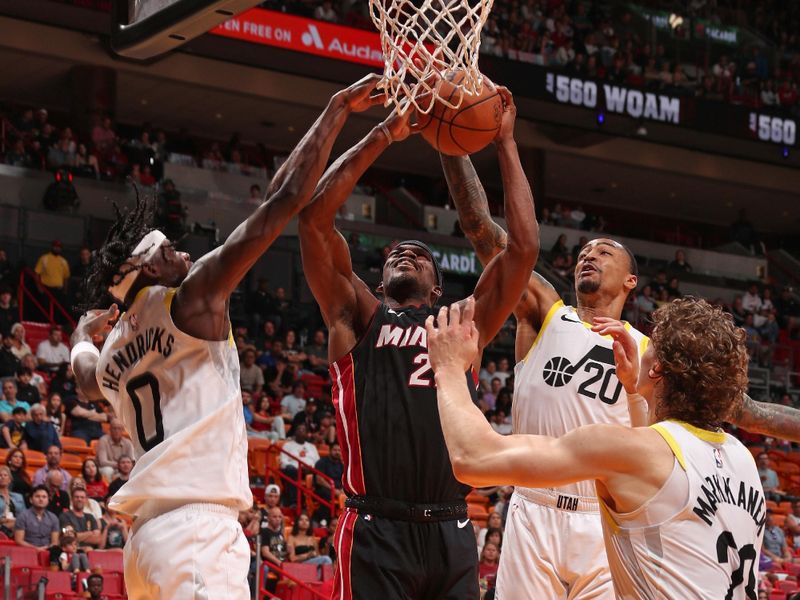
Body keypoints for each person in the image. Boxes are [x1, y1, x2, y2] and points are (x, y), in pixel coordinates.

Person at [70, 76, 386, 599]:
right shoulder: (190, 301)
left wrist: (83, 332)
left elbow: (83, 376)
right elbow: (283, 200)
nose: (184, 253)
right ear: (149, 267)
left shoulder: (110, 355)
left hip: (145, 543)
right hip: (196, 533)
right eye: (170, 249)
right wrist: (336, 110)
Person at [299, 86, 538, 599]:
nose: (406, 253)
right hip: (376, 527)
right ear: (380, 283)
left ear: (437, 287)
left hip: (452, 530)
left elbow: (523, 249)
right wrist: (384, 134)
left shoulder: (462, 323)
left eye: (420, 254)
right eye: (394, 254)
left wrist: (506, 143)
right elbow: (314, 219)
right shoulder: (357, 315)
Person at [427, 296, 764, 598]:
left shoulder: (628, 451)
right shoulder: (742, 459)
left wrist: (449, 369)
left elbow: (473, 458)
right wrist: (633, 391)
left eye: (650, 348)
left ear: (658, 367)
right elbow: (665, 477)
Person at [442, 154, 648, 599]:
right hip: (534, 510)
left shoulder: (648, 349)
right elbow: (482, 229)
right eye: (584, 253)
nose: (589, 256)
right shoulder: (546, 313)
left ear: (631, 281)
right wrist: (452, 143)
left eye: (604, 252)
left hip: (606, 518)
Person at [280, 424, 319, 508]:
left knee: (321, 472)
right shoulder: (287, 445)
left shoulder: (312, 447)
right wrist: (299, 468)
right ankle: (295, 502)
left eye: (303, 430)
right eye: (299, 429)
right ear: (295, 432)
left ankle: (313, 503)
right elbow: (283, 462)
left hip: (310, 472)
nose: (301, 431)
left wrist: (310, 468)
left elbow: (317, 463)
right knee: (291, 470)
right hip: (294, 471)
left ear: (307, 433)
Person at [14, 485, 60, 550]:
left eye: (44, 497)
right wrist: (36, 549)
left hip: (48, 552)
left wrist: (46, 549)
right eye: (37, 496)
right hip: (28, 551)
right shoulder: (22, 516)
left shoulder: (53, 518)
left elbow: (54, 542)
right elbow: (19, 540)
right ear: (31, 500)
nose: (41, 499)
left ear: (48, 500)